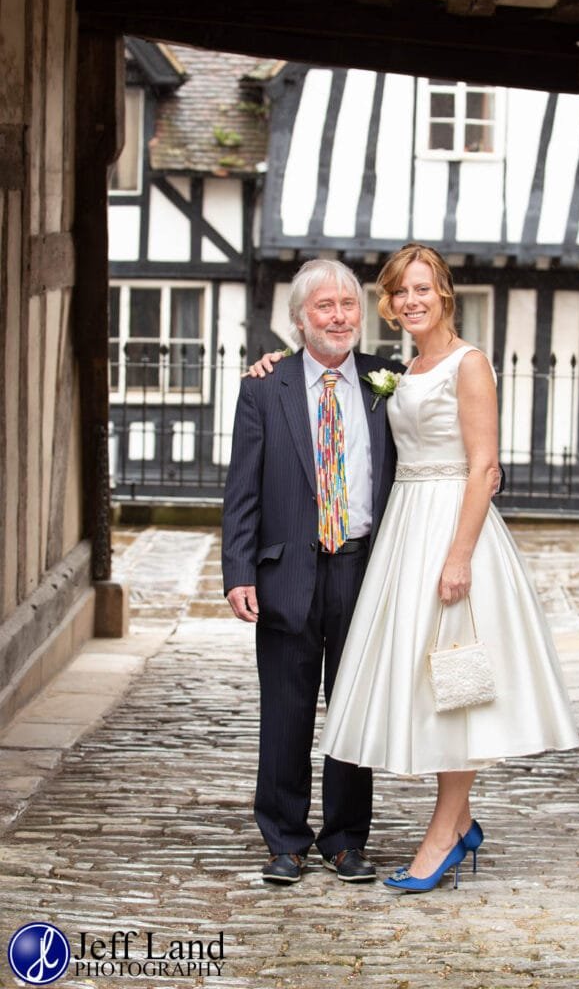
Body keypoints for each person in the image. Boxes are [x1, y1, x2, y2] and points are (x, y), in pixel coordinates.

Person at [249, 244, 579, 894]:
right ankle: (454, 824)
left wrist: (458, 557)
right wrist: (273, 365)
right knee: (430, 685)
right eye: (400, 292)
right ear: (391, 305)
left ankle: (446, 830)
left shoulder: (470, 364)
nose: (412, 300)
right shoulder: (398, 372)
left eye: (422, 288)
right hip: (404, 535)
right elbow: (318, 390)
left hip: (454, 536)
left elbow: (485, 467)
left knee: (459, 685)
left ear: (445, 293)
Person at [222, 258, 404, 886]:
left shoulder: (392, 382)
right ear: (299, 320)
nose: (338, 316)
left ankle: (347, 838)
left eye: (348, 305)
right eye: (323, 307)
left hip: (364, 571)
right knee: (286, 712)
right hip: (286, 572)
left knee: (352, 708)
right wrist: (237, 571)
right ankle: (285, 838)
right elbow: (242, 490)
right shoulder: (263, 387)